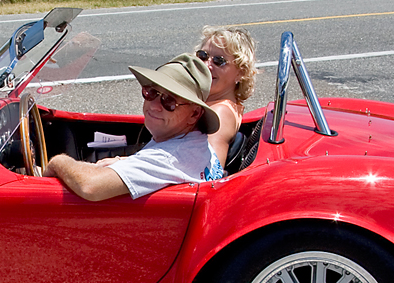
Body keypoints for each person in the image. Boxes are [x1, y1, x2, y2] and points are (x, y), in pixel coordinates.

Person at [43, 54, 220, 201]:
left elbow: (90, 187)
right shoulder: (196, 143)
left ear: (195, 114)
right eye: (151, 92)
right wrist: (124, 162)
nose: (154, 105)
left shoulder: (170, 157)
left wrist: (57, 161)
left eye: (169, 101)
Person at [195, 26, 258, 168]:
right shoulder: (210, 103)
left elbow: (209, 172)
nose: (207, 65)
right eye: (203, 56)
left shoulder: (220, 113)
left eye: (219, 61)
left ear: (240, 73)